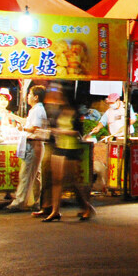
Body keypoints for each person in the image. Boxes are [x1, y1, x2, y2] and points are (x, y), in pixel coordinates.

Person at [45, 91, 96, 222]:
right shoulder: (58, 112)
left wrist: (62, 132)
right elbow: (53, 127)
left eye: (60, 97)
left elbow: (78, 133)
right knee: (56, 180)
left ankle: (86, 207)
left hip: (71, 148)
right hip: (59, 147)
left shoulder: (76, 113)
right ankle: (55, 211)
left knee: (72, 181)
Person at [6, 85, 47, 211]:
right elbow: (29, 123)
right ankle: (37, 201)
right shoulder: (35, 110)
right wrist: (14, 117)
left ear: (36, 97)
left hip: (34, 144)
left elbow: (34, 128)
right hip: (34, 144)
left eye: (29, 94)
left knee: (26, 174)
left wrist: (21, 128)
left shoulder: (37, 110)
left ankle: (19, 202)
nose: (28, 96)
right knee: (35, 176)